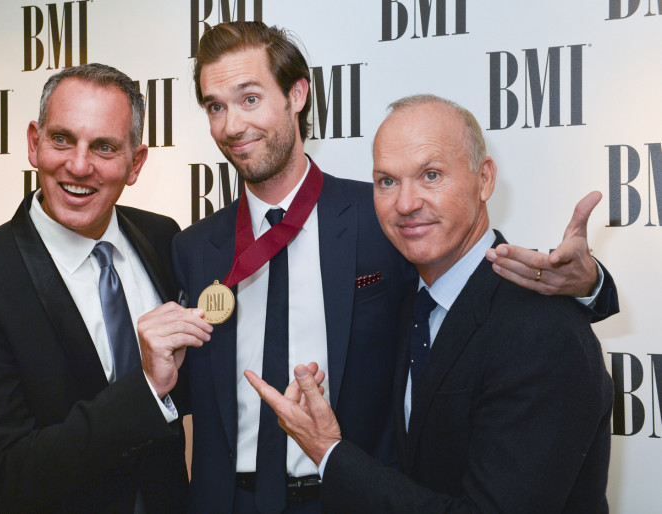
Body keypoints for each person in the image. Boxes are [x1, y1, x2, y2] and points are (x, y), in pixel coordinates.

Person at [139, 22, 617, 514]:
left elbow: (484, 287)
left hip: (354, 497)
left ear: (297, 95)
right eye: (215, 107)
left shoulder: (386, 220)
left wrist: (591, 286)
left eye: (250, 98)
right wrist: (157, 379)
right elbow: (195, 392)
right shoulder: (194, 247)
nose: (232, 125)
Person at [246, 95, 614, 513]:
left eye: (431, 175)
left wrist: (329, 452)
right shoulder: (414, 302)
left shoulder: (540, 329)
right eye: (387, 181)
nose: (405, 204)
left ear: (485, 179)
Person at [0, 64, 193, 513]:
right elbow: (3, 475)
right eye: (62, 139)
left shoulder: (163, 237)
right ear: (34, 143)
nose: (79, 166)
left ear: (135, 163)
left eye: (104, 147)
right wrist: (145, 388)